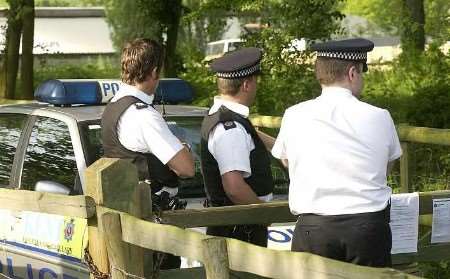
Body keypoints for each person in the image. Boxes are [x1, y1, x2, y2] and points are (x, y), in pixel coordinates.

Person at [271, 38, 402, 267]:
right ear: (352, 73)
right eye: (362, 72)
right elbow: (385, 167)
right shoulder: (380, 116)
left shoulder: (294, 115)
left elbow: (286, 161)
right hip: (366, 227)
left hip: (314, 227)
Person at [101, 38, 195, 269]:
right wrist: (184, 148)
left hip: (127, 217)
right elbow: (186, 169)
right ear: (154, 72)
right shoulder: (143, 115)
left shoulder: (113, 107)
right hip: (153, 225)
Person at [200, 47, 276, 247]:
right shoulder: (230, 129)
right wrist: (264, 213)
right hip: (240, 230)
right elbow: (234, 187)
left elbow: (247, 135)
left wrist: (277, 147)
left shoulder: (224, 116)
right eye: (255, 81)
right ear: (247, 84)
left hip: (235, 226)